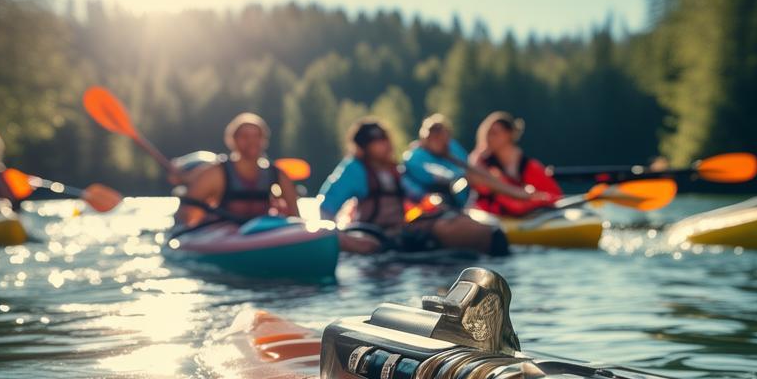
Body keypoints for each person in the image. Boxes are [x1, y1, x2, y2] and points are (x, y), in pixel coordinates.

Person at [318, 118, 507, 255]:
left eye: (385, 139)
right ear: (364, 147)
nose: (385, 144)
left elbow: (416, 194)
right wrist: (336, 237)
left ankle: (490, 242)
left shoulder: (395, 170)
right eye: (378, 141)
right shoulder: (354, 169)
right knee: (369, 245)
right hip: (372, 234)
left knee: (449, 225)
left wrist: (436, 203)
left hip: (398, 232)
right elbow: (326, 207)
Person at [172, 113, 301, 228]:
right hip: (222, 235)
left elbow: (295, 216)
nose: (252, 141)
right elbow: (184, 215)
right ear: (232, 140)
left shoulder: (276, 174)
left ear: (264, 140)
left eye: (257, 136)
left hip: (261, 233)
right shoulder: (216, 173)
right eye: (244, 136)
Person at [467, 111, 562, 216]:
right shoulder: (482, 162)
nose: (489, 138)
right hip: (491, 217)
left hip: (524, 216)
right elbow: (473, 177)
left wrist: (534, 198)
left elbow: (555, 195)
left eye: (495, 133)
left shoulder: (527, 165)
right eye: (488, 134)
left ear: (509, 134)